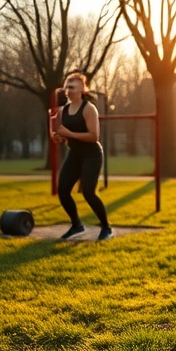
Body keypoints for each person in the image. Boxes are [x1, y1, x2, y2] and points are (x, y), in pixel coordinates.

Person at [49, 71, 113, 241]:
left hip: (91, 154)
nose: (68, 88)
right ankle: (77, 225)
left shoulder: (89, 109)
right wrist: (58, 136)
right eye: (67, 85)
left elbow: (94, 136)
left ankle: (106, 227)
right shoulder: (63, 112)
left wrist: (69, 133)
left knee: (88, 193)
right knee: (63, 190)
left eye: (72, 85)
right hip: (74, 154)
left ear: (82, 89)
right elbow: (60, 138)